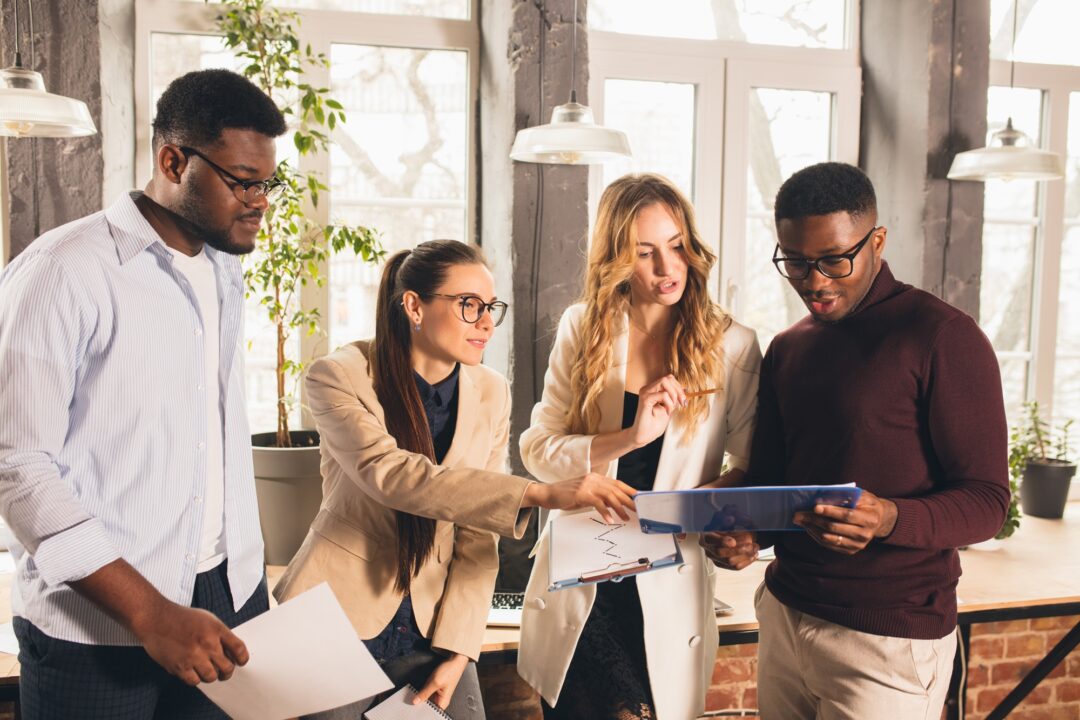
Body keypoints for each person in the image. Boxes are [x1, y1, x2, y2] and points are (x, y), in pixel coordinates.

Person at [0, 69, 286, 718]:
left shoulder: (222, 270)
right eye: (243, 181)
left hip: (227, 601)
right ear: (171, 160)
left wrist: (245, 592)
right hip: (98, 626)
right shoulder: (61, 272)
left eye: (267, 182)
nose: (260, 199)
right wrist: (150, 611)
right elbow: (17, 466)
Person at [273, 240, 637, 719]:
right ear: (414, 306)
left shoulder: (491, 392)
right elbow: (394, 475)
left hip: (434, 627)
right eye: (469, 305)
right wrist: (539, 491)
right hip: (336, 617)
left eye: (490, 307)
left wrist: (461, 650)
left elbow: (476, 535)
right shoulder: (339, 376)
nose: (486, 322)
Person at [703, 162, 1010, 719]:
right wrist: (745, 535)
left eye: (834, 260)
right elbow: (774, 480)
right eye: (795, 262)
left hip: (888, 640)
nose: (814, 280)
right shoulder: (788, 348)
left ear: (877, 241)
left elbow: (988, 502)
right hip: (785, 614)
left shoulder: (943, 337)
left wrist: (889, 517)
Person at [515, 173, 762, 720]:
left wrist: (699, 509)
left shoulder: (734, 345)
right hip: (585, 583)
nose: (667, 267)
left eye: (676, 246)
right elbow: (536, 447)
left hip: (667, 582)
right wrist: (630, 437)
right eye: (645, 252)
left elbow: (748, 467)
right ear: (617, 259)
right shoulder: (585, 327)